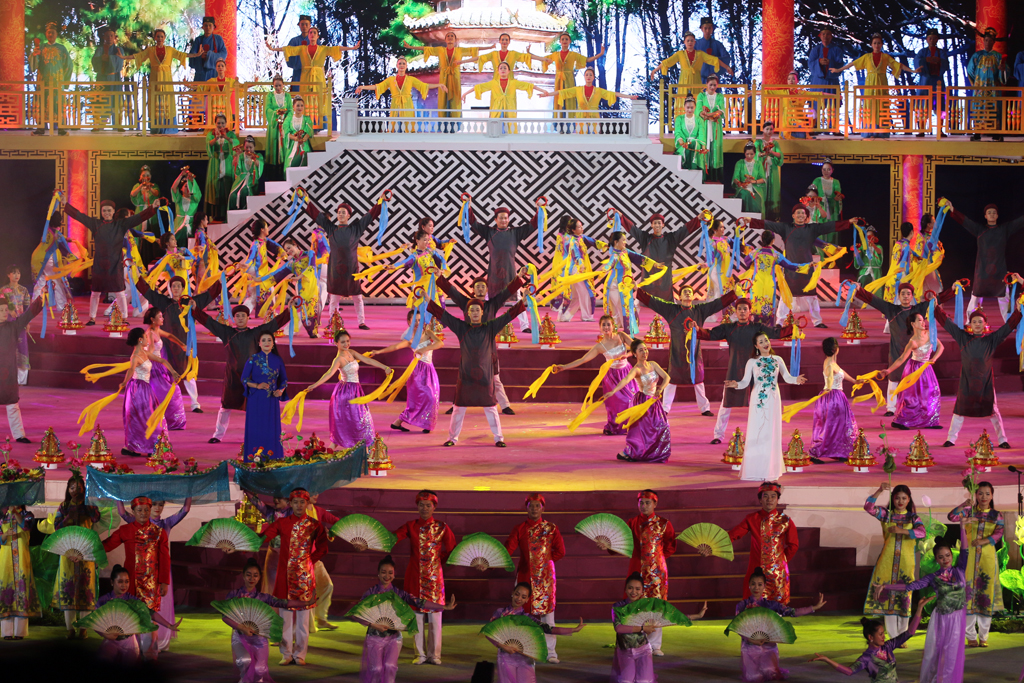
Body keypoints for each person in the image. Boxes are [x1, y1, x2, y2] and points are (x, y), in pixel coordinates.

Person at [875, 524, 970, 682]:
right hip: (941, 618)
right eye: (941, 557)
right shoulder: (933, 577)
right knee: (935, 653)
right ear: (936, 559)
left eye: (947, 555)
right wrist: (886, 586)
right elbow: (910, 586)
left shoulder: (959, 570)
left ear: (952, 555)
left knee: (952, 654)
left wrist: (962, 527)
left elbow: (965, 550)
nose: (945, 559)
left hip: (958, 618)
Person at [427, 297, 527, 447]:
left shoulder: (490, 327)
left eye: (477, 310)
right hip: (465, 376)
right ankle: (452, 438)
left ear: (482, 313)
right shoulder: (461, 327)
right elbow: (444, 315)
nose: (474, 312)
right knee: (458, 409)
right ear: (468, 313)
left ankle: (499, 438)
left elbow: (508, 316)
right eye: (472, 310)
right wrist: (427, 299)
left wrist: (523, 300)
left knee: (491, 408)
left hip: (485, 375)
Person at [193, 303, 291, 444]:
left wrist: (289, 310)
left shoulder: (255, 333)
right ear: (234, 318)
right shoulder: (227, 333)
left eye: (243, 316)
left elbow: (274, 324)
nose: (240, 318)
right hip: (232, 377)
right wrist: (195, 309)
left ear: (248, 318)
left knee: (254, 407)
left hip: (253, 378)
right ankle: (218, 435)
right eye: (237, 316)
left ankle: (256, 435)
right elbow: (209, 323)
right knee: (225, 406)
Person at [746, 206, 858, 328]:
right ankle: (779, 321)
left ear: (806, 216)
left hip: (807, 267)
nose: (800, 215)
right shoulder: (786, 228)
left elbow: (828, 226)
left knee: (812, 296)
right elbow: (769, 224)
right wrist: (751, 221)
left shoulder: (812, 229)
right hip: (791, 268)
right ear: (793, 216)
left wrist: (848, 222)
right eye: (798, 213)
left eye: (803, 213)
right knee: (786, 295)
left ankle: (817, 321)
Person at [854, 282, 954, 415]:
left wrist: (952, 289)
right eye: (903, 294)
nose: (906, 296)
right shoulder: (891, 310)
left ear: (912, 296)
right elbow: (874, 300)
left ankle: (915, 407)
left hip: (915, 352)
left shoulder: (919, 309)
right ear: (899, 296)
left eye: (908, 294)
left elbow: (938, 299)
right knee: (893, 378)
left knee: (915, 381)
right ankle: (891, 408)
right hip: (897, 349)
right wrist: (859, 290)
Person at [435, 269, 524, 416]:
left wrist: (519, 277)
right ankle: (456, 404)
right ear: (473, 289)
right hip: (469, 347)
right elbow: (453, 292)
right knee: (463, 378)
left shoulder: (493, 304)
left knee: (495, 378)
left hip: (488, 347)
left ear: (487, 289)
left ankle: (505, 405)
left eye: (483, 286)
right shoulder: (466, 303)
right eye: (478, 287)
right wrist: (440, 277)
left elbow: (506, 292)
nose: (480, 289)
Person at [637, 283, 736, 416]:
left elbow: (717, 304)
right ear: (680, 297)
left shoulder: (700, 310)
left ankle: (704, 408)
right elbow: (654, 302)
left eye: (690, 291)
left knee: (698, 380)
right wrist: (636, 290)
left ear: (693, 296)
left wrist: (733, 294)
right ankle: (665, 408)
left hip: (694, 353)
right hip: (677, 352)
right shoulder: (671, 310)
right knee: (671, 380)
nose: (688, 293)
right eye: (685, 292)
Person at [597, 491, 676, 656]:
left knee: (656, 605)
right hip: (637, 568)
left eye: (648, 502)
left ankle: (655, 645)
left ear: (655, 504)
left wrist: (657, 559)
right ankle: (636, 641)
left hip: (657, 571)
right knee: (635, 604)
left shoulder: (664, 524)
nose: (644, 506)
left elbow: (670, 545)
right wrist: (608, 547)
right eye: (641, 502)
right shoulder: (632, 523)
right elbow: (621, 542)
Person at [354, 554, 454, 681]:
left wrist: (443, 606)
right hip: (374, 637)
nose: (387, 576)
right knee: (376, 669)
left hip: (393, 638)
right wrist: (374, 625)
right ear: (378, 574)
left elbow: (419, 602)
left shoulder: (398, 594)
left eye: (390, 573)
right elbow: (356, 614)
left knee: (390, 666)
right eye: (383, 572)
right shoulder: (371, 593)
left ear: (394, 575)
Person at [257, 488, 328, 666]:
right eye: (295, 502)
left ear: (307, 504)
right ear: (290, 504)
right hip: (284, 578)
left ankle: (300, 654)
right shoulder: (282, 523)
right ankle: (286, 653)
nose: (299, 505)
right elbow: (264, 537)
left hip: (304, 578)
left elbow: (323, 547)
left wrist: (310, 561)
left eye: (302, 502)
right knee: (285, 619)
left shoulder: (314, 525)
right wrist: (244, 543)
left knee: (303, 620)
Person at [703, 298, 789, 444]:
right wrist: (695, 330)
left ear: (750, 312)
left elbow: (775, 333)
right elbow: (710, 334)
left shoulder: (757, 328)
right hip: (735, 369)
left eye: (745, 309)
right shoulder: (729, 328)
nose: (742, 312)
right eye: (740, 309)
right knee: (726, 404)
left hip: (756, 371)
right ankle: (718, 435)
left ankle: (761, 435)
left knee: (759, 403)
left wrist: (792, 328)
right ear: (735, 312)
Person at [62, 193, 157, 324]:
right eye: (104, 211)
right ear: (101, 212)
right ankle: (92, 318)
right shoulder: (95, 224)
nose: (106, 213)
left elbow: (138, 218)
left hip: (116, 264)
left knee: (120, 292)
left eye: (109, 210)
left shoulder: (121, 225)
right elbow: (80, 216)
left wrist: (152, 208)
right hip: (99, 264)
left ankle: (124, 318)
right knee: (95, 293)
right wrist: (65, 204)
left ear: (113, 212)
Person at [724, 331, 806, 480]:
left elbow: (787, 377)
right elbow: (745, 382)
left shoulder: (777, 359)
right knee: (757, 431)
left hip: (773, 400)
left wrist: (796, 380)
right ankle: (754, 470)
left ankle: (770, 470)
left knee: (771, 432)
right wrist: (736, 384)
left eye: (766, 340)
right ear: (756, 346)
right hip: (758, 401)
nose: (765, 344)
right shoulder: (752, 362)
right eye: (761, 342)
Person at [934, 305, 1020, 448]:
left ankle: (1002, 440)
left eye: (980, 321)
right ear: (970, 324)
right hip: (967, 382)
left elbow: (1008, 327)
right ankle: (951, 439)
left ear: (985, 323)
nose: (977, 324)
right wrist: (936, 308)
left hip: (985, 382)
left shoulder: (991, 340)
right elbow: (947, 324)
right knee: (959, 411)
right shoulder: (963, 338)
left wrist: (1018, 311)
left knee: (993, 411)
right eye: (974, 322)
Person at [387, 491, 457, 665]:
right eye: (421, 505)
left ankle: (435, 655)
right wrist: (371, 542)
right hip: (415, 576)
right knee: (416, 616)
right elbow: (392, 538)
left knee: (435, 618)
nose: (424, 508)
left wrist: (437, 561)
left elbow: (453, 550)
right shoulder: (410, 526)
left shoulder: (442, 527)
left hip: (434, 578)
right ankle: (420, 654)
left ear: (434, 507)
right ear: (417, 506)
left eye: (428, 505)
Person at [136, 272, 220, 414]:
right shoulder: (164, 302)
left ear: (182, 288)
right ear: (170, 288)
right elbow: (148, 292)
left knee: (188, 373)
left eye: (178, 286)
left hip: (185, 344)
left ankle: (195, 404)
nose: (176, 288)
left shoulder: (190, 302)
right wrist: (135, 274)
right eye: (173, 286)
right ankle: (161, 402)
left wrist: (222, 279)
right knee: (164, 373)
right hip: (167, 344)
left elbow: (209, 295)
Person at [115, 498, 191, 653]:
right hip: (142, 572)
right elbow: (122, 512)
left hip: (160, 572)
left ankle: (158, 642)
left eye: (161, 504)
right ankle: (139, 642)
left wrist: (189, 490)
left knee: (159, 607)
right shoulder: (138, 520)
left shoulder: (166, 523)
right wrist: (118, 493)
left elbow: (185, 509)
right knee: (140, 607)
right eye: (154, 504)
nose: (158, 508)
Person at [223, 558, 316, 682]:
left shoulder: (263, 597)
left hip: (259, 639)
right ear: (243, 576)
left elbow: (284, 603)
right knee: (244, 661)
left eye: (255, 575)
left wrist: (306, 603)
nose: (252, 578)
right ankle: (244, 679)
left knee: (259, 670)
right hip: (240, 637)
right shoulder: (234, 595)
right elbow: (225, 616)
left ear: (259, 578)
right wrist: (241, 628)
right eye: (249, 575)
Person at [101, 497, 172, 658]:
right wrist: (89, 549)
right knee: (131, 617)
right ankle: (131, 653)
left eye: (146, 510)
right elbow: (107, 545)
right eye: (139, 510)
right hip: (130, 583)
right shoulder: (125, 530)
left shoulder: (159, 533)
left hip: (151, 584)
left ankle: (151, 655)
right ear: (133, 512)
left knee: (149, 619)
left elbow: (164, 558)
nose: (143, 513)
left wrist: (164, 582)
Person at [303, 193, 382, 330]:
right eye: (338, 212)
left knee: (358, 297)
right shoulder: (331, 229)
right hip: (335, 269)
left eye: (343, 212)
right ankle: (333, 321)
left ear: (348, 215)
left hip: (352, 269)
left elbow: (369, 216)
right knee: (334, 298)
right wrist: (306, 200)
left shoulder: (356, 228)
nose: (340, 215)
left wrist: (380, 202)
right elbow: (318, 216)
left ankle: (361, 322)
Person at [304, 329, 394, 449]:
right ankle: (342, 448)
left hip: (356, 390)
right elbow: (329, 373)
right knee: (352, 421)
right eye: (343, 342)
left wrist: (384, 367)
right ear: (336, 343)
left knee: (362, 420)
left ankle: (362, 448)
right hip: (345, 393)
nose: (346, 344)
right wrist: (314, 385)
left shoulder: (351, 352)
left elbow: (367, 360)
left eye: (347, 341)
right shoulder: (338, 359)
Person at [503, 493, 566, 664]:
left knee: (548, 616)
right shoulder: (519, 528)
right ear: (526, 508)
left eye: (538, 505)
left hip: (546, 579)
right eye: (531, 505)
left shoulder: (551, 528)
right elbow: (507, 550)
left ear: (543, 508)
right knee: (522, 614)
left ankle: (550, 652)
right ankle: (525, 648)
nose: (534, 509)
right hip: (525, 577)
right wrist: (492, 561)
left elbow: (560, 551)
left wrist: (544, 562)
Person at [861, 482, 927, 642]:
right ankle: (893, 637)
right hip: (887, 562)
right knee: (887, 597)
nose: (900, 501)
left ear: (909, 499)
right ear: (893, 499)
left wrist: (902, 531)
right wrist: (879, 490)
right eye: (897, 498)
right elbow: (868, 507)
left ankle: (902, 637)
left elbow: (922, 533)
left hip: (905, 563)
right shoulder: (886, 515)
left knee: (904, 597)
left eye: (904, 498)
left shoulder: (913, 517)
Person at [735, 568, 825, 682]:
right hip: (750, 646)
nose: (756, 587)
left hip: (768, 645)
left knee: (771, 673)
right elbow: (738, 627)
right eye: (753, 584)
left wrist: (813, 608)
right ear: (749, 585)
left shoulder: (771, 605)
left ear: (764, 586)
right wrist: (752, 640)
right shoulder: (742, 606)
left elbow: (792, 612)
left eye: (759, 584)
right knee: (754, 678)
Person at [553, 315, 637, 434]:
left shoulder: (621, 336)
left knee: (631, 399)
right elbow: (583, 359)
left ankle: (633, 425)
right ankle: (615, 427)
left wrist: (627, 355)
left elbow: (636, 347)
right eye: (603, 325)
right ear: (600, 327)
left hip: (627, 372)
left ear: (613, 326)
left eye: (608, 324)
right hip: (612, 377)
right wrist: (564, 367)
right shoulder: (600, 346)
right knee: (617, 402)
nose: (606, 327)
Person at [811, 599, 931, 680]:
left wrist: (919, 608)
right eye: (881, 634)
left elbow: (910, 632)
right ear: (871, 637)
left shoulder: (888, 646)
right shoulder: (867, 658)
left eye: (883, 633)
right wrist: (827, 660)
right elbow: (849, 671)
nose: (884, 636)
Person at [44, 471, 101, 639]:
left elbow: (96, 518)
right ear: (68, 490)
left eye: (78, 487)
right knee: (68, 590)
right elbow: (57, 527)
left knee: (86, 590)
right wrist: (69, 515)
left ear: (84, 488)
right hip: (67, 552)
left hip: (86, 552)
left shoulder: (89, 505)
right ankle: (70, 629)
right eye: (72, 487)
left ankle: (83, 628)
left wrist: (87, 504)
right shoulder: (64, 506)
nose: (75, 490)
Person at [489, 582, 585, 682]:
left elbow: (548, 629)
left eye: (523, 597)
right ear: (512, 593)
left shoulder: (528, 619)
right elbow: (489, 633)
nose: (519, 599)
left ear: (527, 599)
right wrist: (503, 646)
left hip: (525, 659)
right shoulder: (500, 613)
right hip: (506, 658)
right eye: (517, 594)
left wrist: (573, 630)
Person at [831, 33, 922, 138]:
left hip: (882, 83)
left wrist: (913, 71)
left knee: (882, 105)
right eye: (874, 43)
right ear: (871, 45)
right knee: (870, 105)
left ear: (882, 44)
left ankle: (882, 131)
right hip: (870, 84)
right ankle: (869, 131)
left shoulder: (885, 57)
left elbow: (898, 65)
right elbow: (853, 63)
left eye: (879, 43)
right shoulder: (867, 57)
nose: (877, 45)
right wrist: (839, 69)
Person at [945, 201, 1022, 322]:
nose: (992, 215)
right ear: (985, 216)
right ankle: (969, 323)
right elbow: (966, 221)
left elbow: (1019, 222)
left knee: (1004, 299)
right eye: (989, 213)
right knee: (975, 298)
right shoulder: (980, 230)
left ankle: (1010, 324)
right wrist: (952, 210)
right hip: (982, 272)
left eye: (994, 213)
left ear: (997, 216)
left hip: (999, 272)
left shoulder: (1004, 229)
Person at [947, 483, 1004, 647]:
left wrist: (983, 541)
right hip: (969, 555)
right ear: (975, 495)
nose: (984, 497)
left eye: (987, 494)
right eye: (980, 493)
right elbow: (951, 517)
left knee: (986, 593)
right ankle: (971, 636)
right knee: (968, 594)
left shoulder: (996, 515)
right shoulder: (968, 511)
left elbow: (999, 533)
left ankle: (984, 636)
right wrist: (963, 505)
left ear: (992, 496)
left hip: (987, 557)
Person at [367, 311, 443, 434]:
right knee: (420, 398)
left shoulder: (428, 333)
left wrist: (425, 348)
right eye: (414, 320)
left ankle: (424, 423)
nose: (417, 323)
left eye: (419, 320)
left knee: (432, 397)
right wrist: (379, 352)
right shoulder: (410, 340)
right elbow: (395, 347)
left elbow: (440, 343)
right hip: (417, 371)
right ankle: (401, 421)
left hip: (429, 369)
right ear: (409, 322)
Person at [267, 28, 359, 129]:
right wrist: (273, 49)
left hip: (318, 77)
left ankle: (318, 125)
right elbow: (288, 49)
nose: (312, 34)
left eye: (314, 32)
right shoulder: (302, 48)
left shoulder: (323, 49)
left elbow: (337, 49)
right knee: (305, 99)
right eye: (310, 32)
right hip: (306, 77)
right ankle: (305, 124)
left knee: (319, 99)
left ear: (317, 36)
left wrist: (352, 48)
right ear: (308, 35)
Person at [94, 564, 180, 665]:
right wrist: (104, 634)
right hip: (111, 642)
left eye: (126, 581)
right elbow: (93, 620)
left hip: (129, 643)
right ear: (112, 582)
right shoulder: (104, 600)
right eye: (120, 581)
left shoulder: (132, 600)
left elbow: (150, 613)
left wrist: (169, 625)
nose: (124, 585)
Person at [729, 482, 799, 604]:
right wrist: (712, 546)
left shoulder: (785, 521)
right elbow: (733, 535)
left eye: (773, 496)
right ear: (760, 500)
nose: (769, 500)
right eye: (765, 496)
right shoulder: (752, 519)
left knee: (777, 608)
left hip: (777, 574)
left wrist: (780, 562)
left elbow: (793, 545)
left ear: (777, 500)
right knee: (753, 607)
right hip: (756, 572)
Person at [604, 339, 671, 463]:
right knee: (643, 430)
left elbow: (667, 377)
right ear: (635, 354)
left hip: (654, 401)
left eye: (645, 349)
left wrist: (661, 388)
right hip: (643, 402)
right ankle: (633, 451)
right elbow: (625, 380)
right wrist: (613, 391)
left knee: (662, 426)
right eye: (641, 350)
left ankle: (654, 453)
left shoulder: (653, 364)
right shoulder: (636, 369)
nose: (645, 352)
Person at [118, 327, 176, 457]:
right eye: (145, 337)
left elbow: (162, 360)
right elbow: (131, 370)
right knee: (143, 418)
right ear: (140, 340)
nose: (147, 339)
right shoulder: (135, 356)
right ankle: (148, 447)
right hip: (137, 390)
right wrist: (124, 382)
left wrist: (173, 372)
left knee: (149, 417)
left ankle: (145, 446)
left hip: (146, 389)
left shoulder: (145, 352)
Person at [882, 312, 944, 430]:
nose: (923, 322)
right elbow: (901, 359)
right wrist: (888, 371)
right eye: (919, 320)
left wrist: (934, 358)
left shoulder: (930, 334)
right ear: (913, 324)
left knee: (931, 393)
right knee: (911, 397)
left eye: (923, 320)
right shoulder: (913, 342)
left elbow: (941, 347)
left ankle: (929, 421)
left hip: (926, 369)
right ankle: (902, 421)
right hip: (914, 369)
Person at [651, 30, 733, 118]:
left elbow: (714, 60)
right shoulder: (680, 54)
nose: (690, 42)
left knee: (697, 100)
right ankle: (682, 121)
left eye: (691, 41)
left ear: (695, 42)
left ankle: (697, 119)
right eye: (688, 41)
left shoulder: (700, 54)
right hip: (684, 80)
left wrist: (727, 67)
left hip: (696, 80)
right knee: (682, 99)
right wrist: (655, 70)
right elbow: (667, 62)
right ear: (684, 42)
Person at [404, 31, 480, 118]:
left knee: (455, 98)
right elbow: (426, 49)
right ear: (445, 40)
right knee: (443, 97)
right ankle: (443, 119)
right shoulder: (440, 50)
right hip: (444, 76)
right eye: (448, 36)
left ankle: (455, 120)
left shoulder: (460, 50)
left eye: (452, 36)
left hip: (455, 77)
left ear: (455, 40)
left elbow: (474, 49)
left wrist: (490, 47)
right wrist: (411, 47)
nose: (450, 37)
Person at [355, 56, 446, 128]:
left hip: (407, 105)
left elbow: (424, 86)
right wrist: (362, 87)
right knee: (395, 126)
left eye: (403, 64)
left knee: (408, 126)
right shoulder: (391, 80)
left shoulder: (410, 79)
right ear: (397, 66)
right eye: (400, 63)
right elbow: (378, 87)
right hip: (395, 104)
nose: (402, 65)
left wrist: (439, 85)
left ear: (406, 66)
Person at [741, 230, 808, 325]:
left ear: (762, 240)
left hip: (756, 283)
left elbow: (746, 261)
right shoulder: (775, 254)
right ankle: (768, 327)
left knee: (755, 304)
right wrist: (806, 266)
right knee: (768, 306)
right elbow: (790, 265)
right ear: (773, 241)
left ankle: (754, 327)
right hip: (769, 284)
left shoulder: (755, 252)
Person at [0, 293, 42, 443]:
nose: (4, 313)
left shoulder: (13, 327)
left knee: (12, 403)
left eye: (6, 310)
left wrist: (41, 299)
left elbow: (27, 315)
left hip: (8, 372)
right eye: (1, 310)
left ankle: (19, 434)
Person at [240, 332, 288, 461]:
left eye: (269, 340)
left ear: (273, 344)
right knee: (255, 427)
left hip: (271, 400)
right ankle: (253, 458)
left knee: (271, 428)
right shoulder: (253, 359)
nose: (267, 343)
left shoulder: (278, 360)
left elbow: (284, 380)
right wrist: (257, 385)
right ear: (259, 343)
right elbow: (244, 379)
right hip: (255, 399)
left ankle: (273, 458)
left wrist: (280, 390)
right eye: (264, 340)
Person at [134, 29, 192, 134]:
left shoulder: (169, 50)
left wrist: (196, 55)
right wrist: (123, 57)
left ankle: (169, 128)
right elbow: (139, 56)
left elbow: (182, 55)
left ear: (164, 38)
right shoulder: (151, 50)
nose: (160, 38)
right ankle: (156, 128)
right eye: (158, 36)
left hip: (166, 79)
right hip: (155, 79)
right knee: (156, 101)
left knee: (167, 101)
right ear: (155, 38)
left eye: (162, 36)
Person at [809, 337, 858, 461]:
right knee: (835, 425)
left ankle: (837, 451)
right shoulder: (830, 364)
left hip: (833, 396)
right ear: (836, 349)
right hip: (834, 397)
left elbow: (841, 372)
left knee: (835, 425)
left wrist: (854, 381)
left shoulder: (831, 362)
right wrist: (829, 386)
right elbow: (830, 377)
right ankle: (822, 451)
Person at [621, 212, 686, 303]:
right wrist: (621, 216)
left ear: (663, 225)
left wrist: (698, 219)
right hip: (648, 277)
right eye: (655, 223)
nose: (657, 225)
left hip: (665, 279)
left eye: (659, 223)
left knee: (667, 304)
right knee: (643, 302)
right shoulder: (645, 238)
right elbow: (633, 229)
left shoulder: (670, 239)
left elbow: (684, 230)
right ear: (651, 225)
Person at [541, 66, 636, 128]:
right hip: (580, 117)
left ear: (594, 77)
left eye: (591, 75)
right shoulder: (578, 89)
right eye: (587, 75)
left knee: (594, 139)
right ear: (584, 77)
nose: (588, 76)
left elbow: (613, 94)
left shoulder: (598, 91)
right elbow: (562, 92)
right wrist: (548, 94)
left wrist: (629, 96)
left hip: (594, 117)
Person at [464, 61, 548, 129]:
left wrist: (543, 90)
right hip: (497, 109)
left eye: (505, 68)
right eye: (501, 68)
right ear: (498, 71)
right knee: (496, 128)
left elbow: (529, 86)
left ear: (509, 71)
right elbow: (478, 87)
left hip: (510, 109)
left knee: (510, 127)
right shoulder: (493, 83)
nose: (503, 70)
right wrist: (465, 94)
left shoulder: (514, 82)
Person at [142, 308, 187, 430]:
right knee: (169, 392)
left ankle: (169, 421)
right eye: (160, 317)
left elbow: (170, 336)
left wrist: (181, 344)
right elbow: (149, 353)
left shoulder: (156, 330)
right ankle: (168, 421)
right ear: (152, 319)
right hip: (155, 367)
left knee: (171, 391)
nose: (162, 319)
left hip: (160, 365)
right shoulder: (150, 334)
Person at [0, 506, 38, 640]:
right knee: (6, 591)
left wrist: (15, 513)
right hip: (5, 560)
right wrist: (5, 534)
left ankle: (20, 632)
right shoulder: (2, 516)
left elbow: (26, 526)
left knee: (22, 591)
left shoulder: (28, 514)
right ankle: (6, 632)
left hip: (22, 558)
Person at [549, 215, 597, 322]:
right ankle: (586, 316)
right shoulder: (571, 239)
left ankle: (564, 316)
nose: (581, 228)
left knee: (574, 295)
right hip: (574, 267)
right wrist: (580, 263)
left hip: (565, 267)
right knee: (585, 292)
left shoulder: (560, 236)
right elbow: (574, 253)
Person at [544, 32, 605, 115]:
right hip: (559, 80)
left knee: (570, 99)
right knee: (558, 99)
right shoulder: (555, 55)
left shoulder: (573, 55)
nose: (564, 41)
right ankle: (558, 121)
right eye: (562, 39)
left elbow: (587, 60)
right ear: (560, 41)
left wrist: (600, 54)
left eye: (566, 39)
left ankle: (571, 120)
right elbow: (544, 59)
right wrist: (530, 54)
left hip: (569, 79)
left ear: (570, 41)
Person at [29, 23, 72, 135]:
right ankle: (40, 128)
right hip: (43, 81)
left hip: (57, 81)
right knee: (42, 103)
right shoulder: (41, 47)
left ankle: (61, 128)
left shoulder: (62, 48)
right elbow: (34, 65)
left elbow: (68, 65)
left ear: (56, 34)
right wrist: (34, 55)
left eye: (53, 32)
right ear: (46, 34)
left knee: (58, 104)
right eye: (49, 32)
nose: (51, 34)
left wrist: (65, 82)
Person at [966, 28, 1008, 142]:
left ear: (993, 42)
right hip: (980, 88)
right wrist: (977, 82)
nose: (988, 43)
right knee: (978, 108)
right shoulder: (977, 56)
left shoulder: (998, 56)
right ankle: (977, 132)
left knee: (994, 108)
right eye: (986, 40)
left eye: (990, 40)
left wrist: (1002, 70)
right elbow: (970, 71)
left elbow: (1004, 74)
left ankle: (995, 133)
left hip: (993, 88)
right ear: (983, 41)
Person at [204, 113, 240, 222]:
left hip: (227, 160)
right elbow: (208, 145)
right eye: (218, 123)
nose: (221, 125)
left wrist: (226, 137)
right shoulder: (211, 134)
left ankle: (227, 213)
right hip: (216, 161)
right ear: (215, 123)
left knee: (227, 185)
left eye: (223, 123)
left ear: (226, 123)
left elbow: (236, 143)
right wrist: (215, 138)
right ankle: (215, 214)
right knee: (215, 185)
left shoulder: (230, 133)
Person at [91, 26, 125, 130]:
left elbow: (120, 62)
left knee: (116, 102)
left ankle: (118, 125)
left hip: (114, 78)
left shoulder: (119, 49)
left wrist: (109, 58)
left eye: (111, 35)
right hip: (102, 78)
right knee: (102, 102)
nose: (109, 38)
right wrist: (102, 58)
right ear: (103, 37)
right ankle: (99, 125)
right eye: (107, 36)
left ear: (115, 37)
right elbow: (94, 61)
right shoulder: (100, 49)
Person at [696, 74, 727, 182]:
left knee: (715, 147)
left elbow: (720, 111)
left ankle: (714, 176)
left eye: (715, 85)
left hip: (716, 125)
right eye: (711, 85)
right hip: (704, 125)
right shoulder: (701, 96)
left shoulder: (720, 96)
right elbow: (699, 112)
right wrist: (710, 116)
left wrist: (708, 115)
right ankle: (703, 175)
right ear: (706, 84)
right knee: (704, 146)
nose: (712, 87)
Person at [0, 269, 28, 386]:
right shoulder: (3, 290)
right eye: (14, 273)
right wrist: (9, 310)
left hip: (20, 322)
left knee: (22, 348)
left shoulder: (23, 290)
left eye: (19, 273)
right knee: (8, 349)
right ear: (8, 275)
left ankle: (21, 380)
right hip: (7, 322)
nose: (17, 275)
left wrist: (27, 322)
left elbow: (27, 307)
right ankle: (7, 378)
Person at [263, 76, 291, 180]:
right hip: (274, 125)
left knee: (284, 146)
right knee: (274, 147)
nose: (278, 88)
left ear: (283, 85)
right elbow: (268, 109)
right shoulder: (270, 95)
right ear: (273, 86)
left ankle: (284, 169)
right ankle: (273, 173)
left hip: (285, 124)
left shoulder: (287, 96)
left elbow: (291, 110)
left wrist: (286, 119)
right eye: (276, 86)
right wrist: (276, 113)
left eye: (280, 85)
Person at [754, 122, 784, 220]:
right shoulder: (758, 142)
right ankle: (761, 215)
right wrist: (763, 154)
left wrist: (771, 152)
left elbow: (779, 155)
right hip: (762, 169)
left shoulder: (775, 143)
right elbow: (755, 153)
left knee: (773, 190)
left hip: (772, 169)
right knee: (762, 189)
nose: (769, 131)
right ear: (763, 130)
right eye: (767, 129)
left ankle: (772, 217)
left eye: (771, 129)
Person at [477, 32, 542, 74]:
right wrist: (469, 60)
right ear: (499, 41)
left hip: (510, 83)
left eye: (506, 40)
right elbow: (480, 58)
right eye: (502, 40)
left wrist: (543, 59)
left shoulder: (513, 54)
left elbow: (527, 57)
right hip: (496, 83)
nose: (504, 41)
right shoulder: (493, 54)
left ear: (509, 42)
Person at [810, 160, 842, 243]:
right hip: (820, 206)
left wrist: (837, 197)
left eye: (828, 169)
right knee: (820, 227)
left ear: (832, 170)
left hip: (832, 207)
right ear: (821, 170)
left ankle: (832, 248)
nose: (826, 171)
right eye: (824, 169)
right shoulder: (817, 180)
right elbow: (811, 192)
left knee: (831, 228)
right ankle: (819, 248)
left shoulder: (836, 182)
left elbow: (838, 192)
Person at [229, 135, 264, 211]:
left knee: (244, 191)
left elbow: (260, 164)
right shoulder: (241, 155)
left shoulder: (258, 155)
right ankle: (234, 213)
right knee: (233, 195)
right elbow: (236, 168)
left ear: (254, 147)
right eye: (246, 147)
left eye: (250, 147)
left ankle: (244, 212)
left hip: (251, 179)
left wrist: (255, 160)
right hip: (241, 179)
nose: (248, 149)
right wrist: (237, 156)